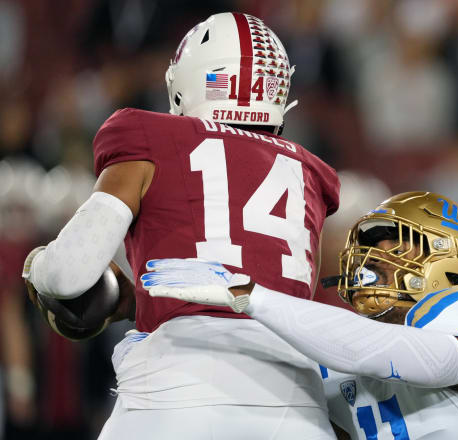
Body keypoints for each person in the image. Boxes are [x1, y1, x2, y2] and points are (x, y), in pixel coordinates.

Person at [22, 12, 340, 440]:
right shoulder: (310, 175)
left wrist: (37, 265)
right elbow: (262, 299)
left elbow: (69, 274)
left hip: (178, 393)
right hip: (295, 408)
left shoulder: (148, 137)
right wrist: (137, 302)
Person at [143, 191, 458, 440]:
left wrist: (252, 297)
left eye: (398, 246)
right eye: (371, 247)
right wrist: (152, 320)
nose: (374, 261)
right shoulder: (341, 348)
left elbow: (408, 357)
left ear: (452, 261)